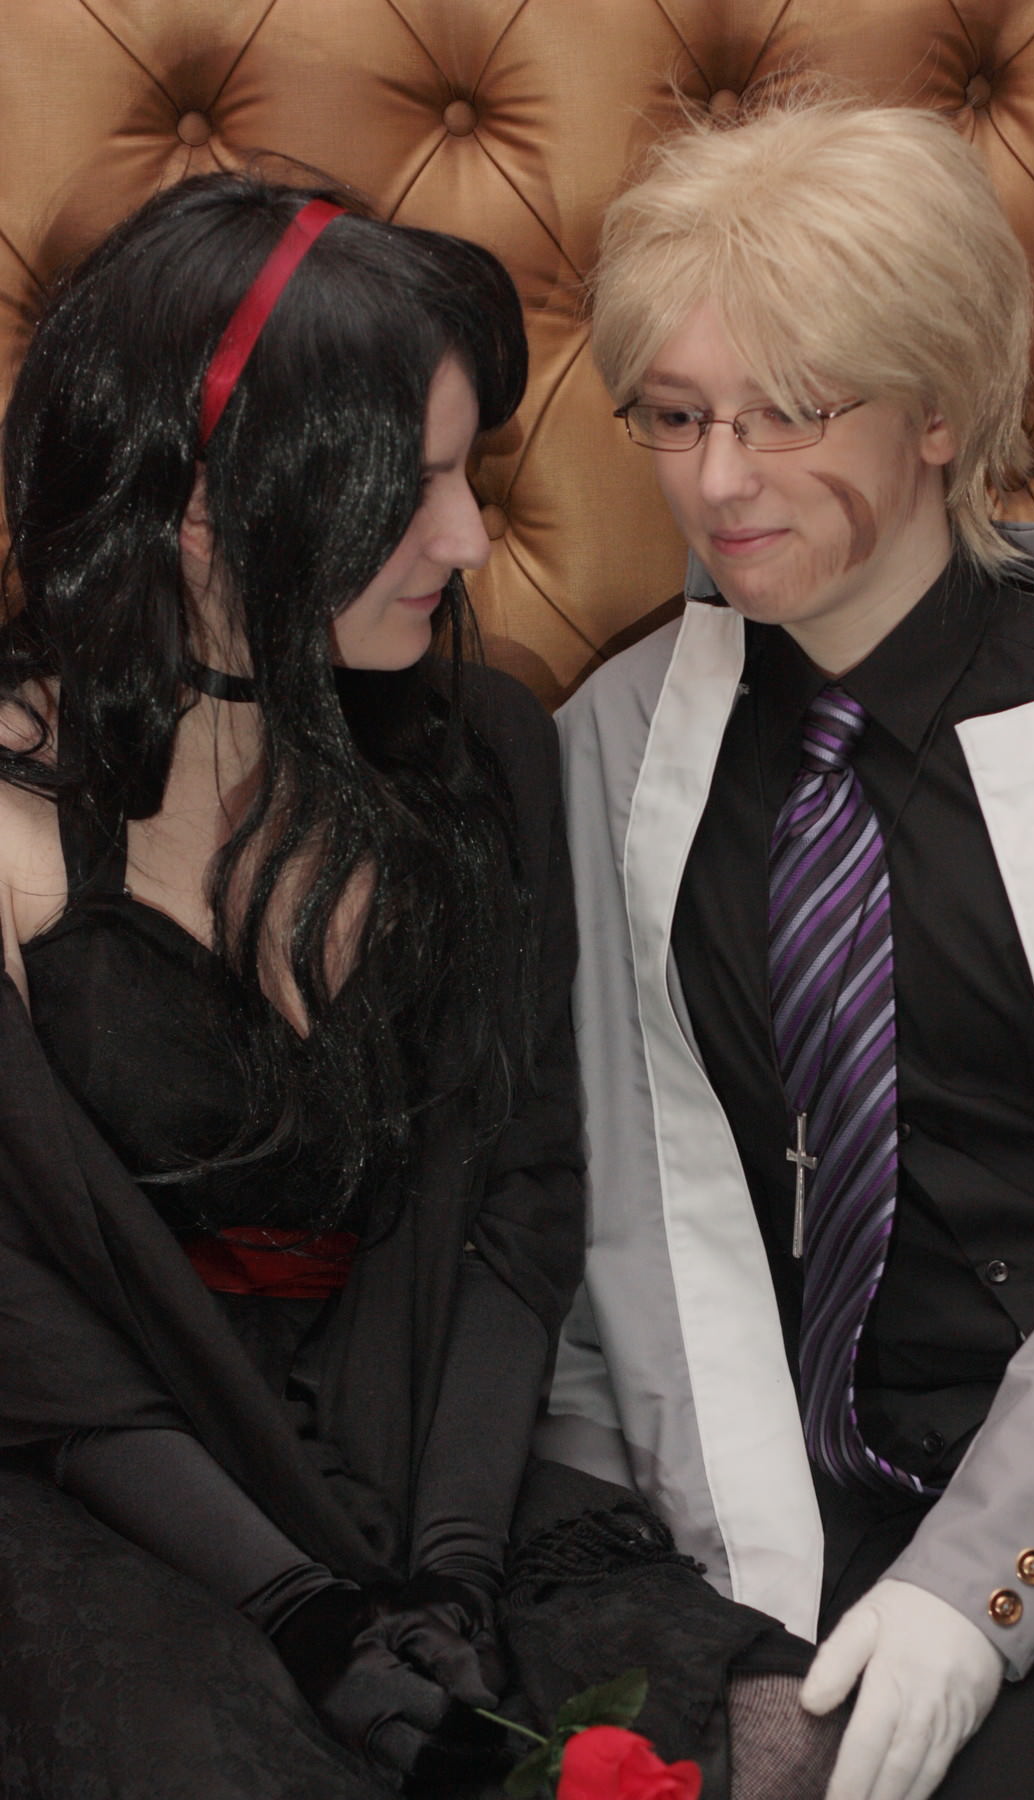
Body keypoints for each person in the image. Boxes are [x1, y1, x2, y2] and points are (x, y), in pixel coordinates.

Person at [542, 97, 1034, 1799]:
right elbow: (592, 1200)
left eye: (790, 410)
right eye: (677, 414)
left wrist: (986, 1585)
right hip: (749, 1504)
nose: (719, 479)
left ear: (942, 409)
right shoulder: (611, 749)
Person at [0, 171, 586, 1798]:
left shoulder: (487, 758)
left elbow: (518, 1201)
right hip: (102, 1487)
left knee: (728, 1728)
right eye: (414, 489)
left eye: (470, 476)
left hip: (429, 1451)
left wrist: (453, 1575)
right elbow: (23, 1316)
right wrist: (298, 1609)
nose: (469, 541)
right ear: (203, 503)